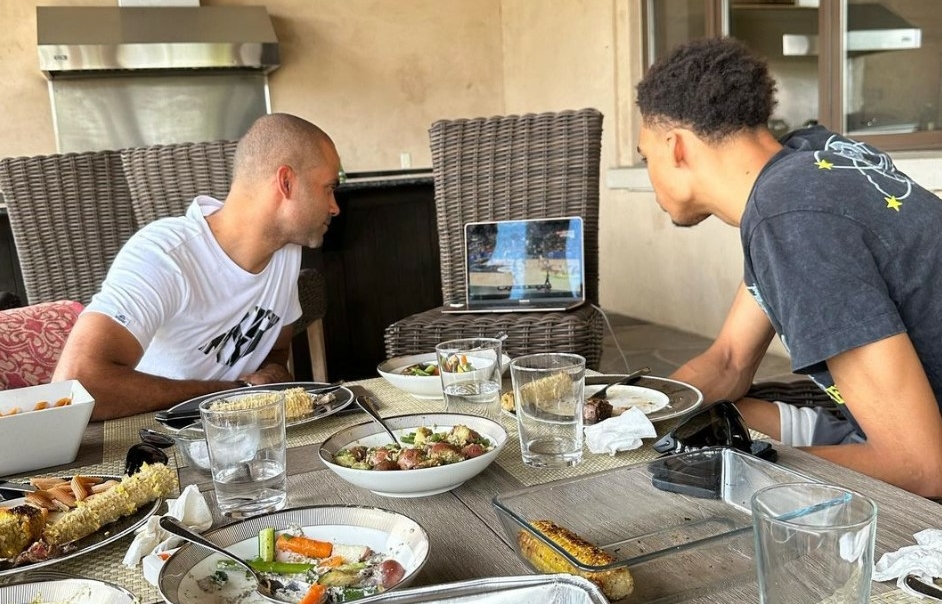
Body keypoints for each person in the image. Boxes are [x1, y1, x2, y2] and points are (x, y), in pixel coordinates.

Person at [635, 37, 942, 498]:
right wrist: (630, 412)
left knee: (693, 473)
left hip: (919, 450)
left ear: (675, 146)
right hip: (895, 425)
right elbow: (728, 363)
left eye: (646, 157)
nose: (648, 171)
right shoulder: (807, 163)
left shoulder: (791, 217)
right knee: (696, 429)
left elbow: (920, 467)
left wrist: (735, 471)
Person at [53, 113, 341, 421]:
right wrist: (233, 391)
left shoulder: (286, 251)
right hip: (148, 435)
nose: (335, 206)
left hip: (237, 433)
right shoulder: (164, 255)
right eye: (328, 188)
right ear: (286, 182)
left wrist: (269, 374)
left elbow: (274, 351)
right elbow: (75, 386)